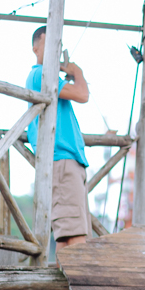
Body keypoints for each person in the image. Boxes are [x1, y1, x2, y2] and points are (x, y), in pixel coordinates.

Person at [26, 26, 91, 254]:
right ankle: (82, 289)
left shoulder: (46, 77)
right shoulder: (40, 74)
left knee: (68, 235)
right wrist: (77, 72)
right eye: (50, 43)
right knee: (75, 238)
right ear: (36, 48)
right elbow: (83, 95)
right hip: (62, 161)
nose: (56, 48)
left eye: (58, 44)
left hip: (65, 162)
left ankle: (69, 288)